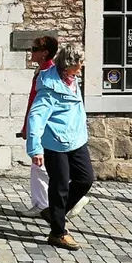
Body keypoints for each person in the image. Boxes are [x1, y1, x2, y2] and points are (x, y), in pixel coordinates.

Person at [25, 45, 94, 250]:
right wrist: (35, 148)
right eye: (79, 63)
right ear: (68, 65)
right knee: (60, 185)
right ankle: (58, 233)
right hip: (55, 142)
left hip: (76, 140)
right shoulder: (50, 87)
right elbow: (36, 117)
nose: (81, 67)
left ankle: (55, 212)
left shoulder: (72, 79)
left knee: (85, 179)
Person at [18, 35, 60, 217]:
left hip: (44, 126)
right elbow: (32, 102)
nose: (31, 52)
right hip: (37, 124)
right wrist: (26, 126)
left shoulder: (50, 72)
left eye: (35, 49)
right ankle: (43, 204)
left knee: (41, 165)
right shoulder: (41, 71)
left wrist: (32, 127)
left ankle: (46, 204)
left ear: (45, 53)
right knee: (39, 166)